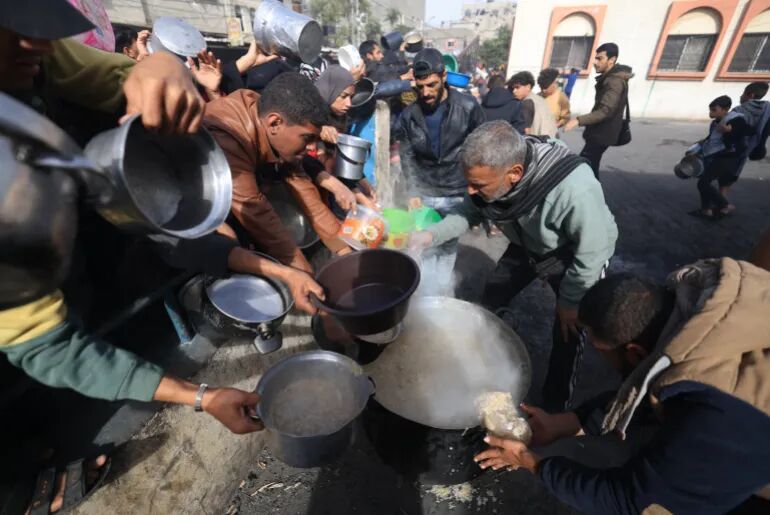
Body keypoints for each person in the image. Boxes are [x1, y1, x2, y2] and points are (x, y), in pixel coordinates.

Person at [0, 2, 264, 512]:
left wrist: (160, 68)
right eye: (12, 30)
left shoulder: (37, 54)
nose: (35, 42)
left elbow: (124, 76)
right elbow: (52, 348)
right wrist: (203, 396)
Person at [474, 262, 770, 514]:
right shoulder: (709, 309)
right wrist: (564, 423)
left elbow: (630, 499)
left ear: (635, 353)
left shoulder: (712, 419)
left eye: (601, 351)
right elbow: (645, 386)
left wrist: (530, 462)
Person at [410, 121, 617, 409]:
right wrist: (430, 235)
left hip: (576, 252)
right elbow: (468, 212)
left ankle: (555, 406)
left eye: (479, 185)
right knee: (491, 297)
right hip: (527, 242)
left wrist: (571, 300)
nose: (470, 191)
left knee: (569, 329)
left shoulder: (574, 188)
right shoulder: (492, 176)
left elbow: (593, 249)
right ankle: (476, 362)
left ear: (514, 174)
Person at [203, 72, 350, 273]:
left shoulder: (271, 122)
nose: (311, 148)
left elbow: (308, 197)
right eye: (307, 138)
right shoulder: (229, 135)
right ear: (274, 123)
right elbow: (258, 214)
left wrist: (346, 253)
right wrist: (306, 278)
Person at [397, 47, 486, 295]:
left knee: (447, 243)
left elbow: (482, 146)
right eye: (420, 86)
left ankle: (442, 290)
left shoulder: (468, 107)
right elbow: (406, 154)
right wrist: (412, 190)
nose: (425, 92)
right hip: (424, 191)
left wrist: (476, 185)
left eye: (432, 85)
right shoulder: (408, 115)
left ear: (444, 76)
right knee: (421, 242)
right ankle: (423, 290)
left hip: (456, 189)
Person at [306, 65, 378, 215]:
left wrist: (364, 184)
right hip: (305, 195)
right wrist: (317, 130)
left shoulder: (338, 120)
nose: (349, 104)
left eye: (351, 97)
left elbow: (340, 163)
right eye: (343, 96)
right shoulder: (307, 118)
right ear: (329, 91)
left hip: (327, 195)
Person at [565, 43, 633, 178]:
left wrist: (578, 120)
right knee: (589, 167)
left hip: (602, 134)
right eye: (595, 58)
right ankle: (593, 194)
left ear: (611, 60)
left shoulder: (614, 81)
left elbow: (605, 110)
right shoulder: (611, 78)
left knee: (585, 167)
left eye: (600, 59)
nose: (595, 63)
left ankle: (592, 195)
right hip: (600, 133)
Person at [689, 95, 750, 220]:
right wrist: (698, 147)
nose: (711, 113)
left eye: (714, 110)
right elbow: (712, 138)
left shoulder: (736, 120)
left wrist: (729, 131)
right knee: (704, 183)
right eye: (710, 110)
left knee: (703, 183)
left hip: (728, 157)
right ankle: (706, 210)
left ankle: (725, 205)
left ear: (725, 109)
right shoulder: (716, 121)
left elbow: (747, 132)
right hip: (716, 155)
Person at [722, 81, 770, 198]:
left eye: (743, 93)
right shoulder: (767, 109)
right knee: (732, 176)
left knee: (723, 176)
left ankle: (721, 205)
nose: (741, 96)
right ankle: (722, 203)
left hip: (733, 149)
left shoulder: (739, 110)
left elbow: (729, 131)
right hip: (750, 147)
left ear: (751, 95)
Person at [507, 71, 558, 138]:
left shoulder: (527, 102)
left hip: (539, 143)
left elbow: (526, 131)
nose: (514, 91)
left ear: (528, 87)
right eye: (513, 88)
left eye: (517, 87)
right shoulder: (539, 99)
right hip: (551, 140)